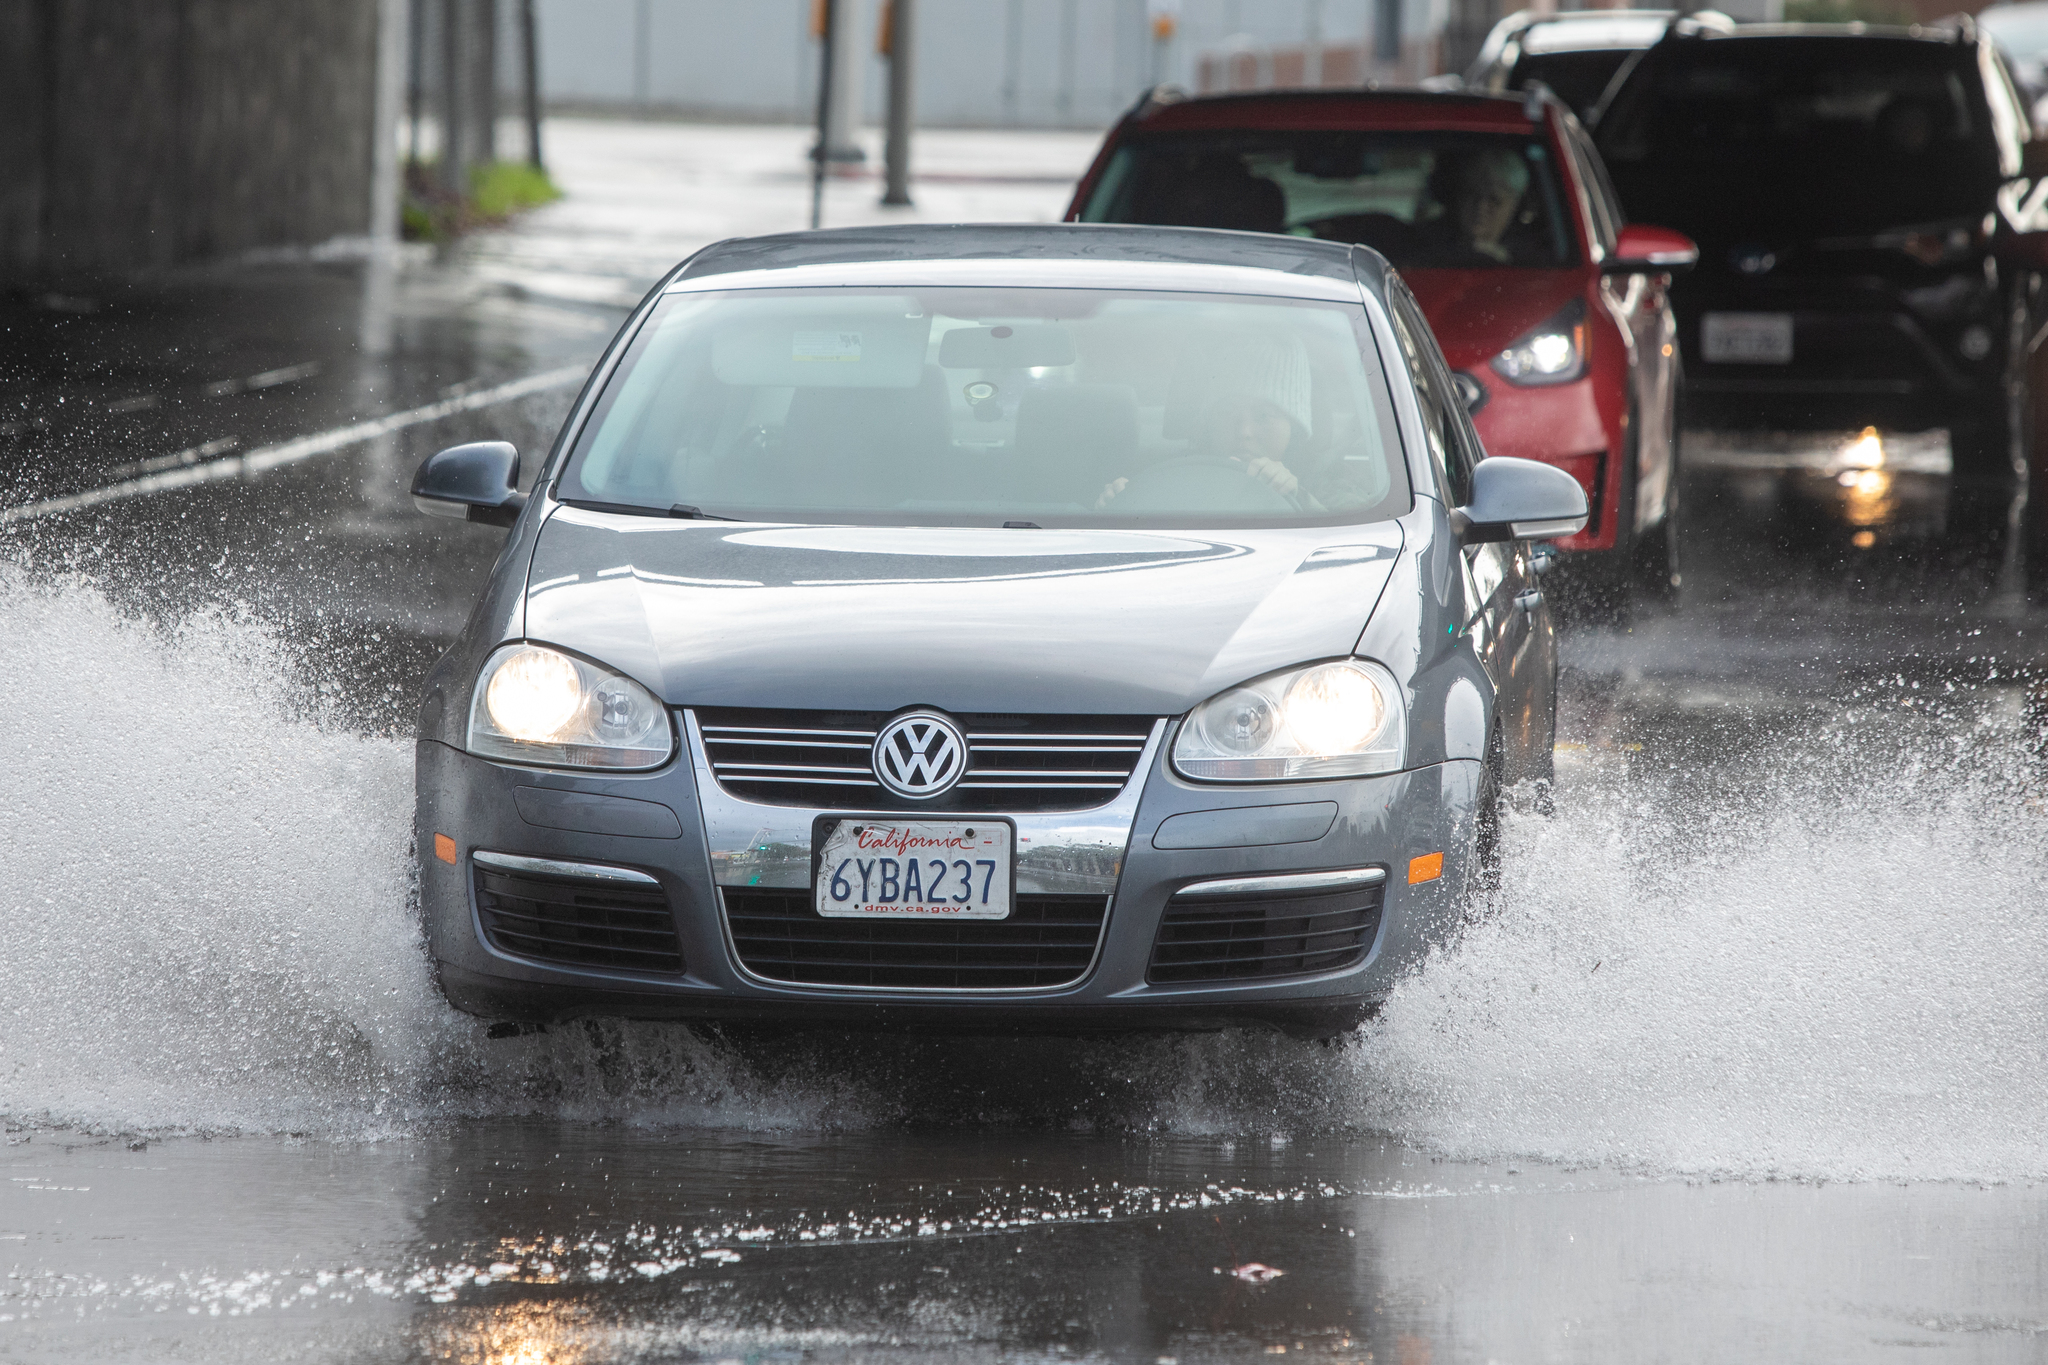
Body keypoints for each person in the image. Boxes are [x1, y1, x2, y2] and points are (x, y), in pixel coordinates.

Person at [1097, 335, 1369, 512]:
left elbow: (1357, 543)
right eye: (1228, 413)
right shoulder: (1168, 478)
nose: (1244, 431)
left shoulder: (1330, 480)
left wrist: (1300, 497)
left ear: (1294, 426)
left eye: (1263, 416)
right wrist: (1114, 508)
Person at [1414, 146, 1531, 266]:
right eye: (1472, 193)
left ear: (1514, 206)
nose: (1480, 207)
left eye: (1494, 200)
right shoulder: (1423, 244)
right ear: (1459, 197)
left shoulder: (1533, 257)